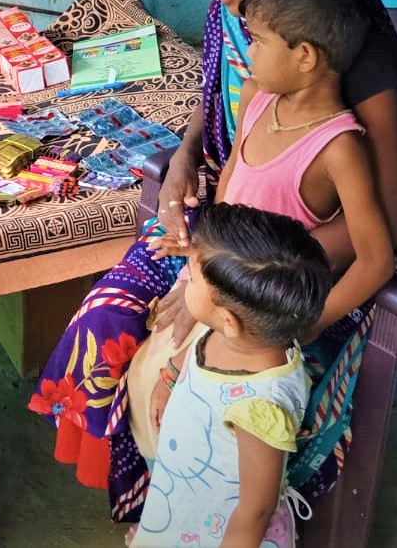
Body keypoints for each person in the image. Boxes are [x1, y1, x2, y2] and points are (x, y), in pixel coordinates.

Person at [28, 0, 397, 522]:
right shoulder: (239, 25)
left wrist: (230, 272)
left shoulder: (352, 62)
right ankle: (153, 505)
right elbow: (221, 100)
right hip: (232, 226)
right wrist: (186, 158)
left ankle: (215, 512)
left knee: (206, 373)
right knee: (107, 320)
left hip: (298, 258)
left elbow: (380, 231)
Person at [126, 203, 330, 548]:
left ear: (228, 321)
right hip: (188, 501)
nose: (186, 282)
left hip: (220, 533)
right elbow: (201, 346)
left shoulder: (259, 408)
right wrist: (171, 374)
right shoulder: (246, 334)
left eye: (191, 278)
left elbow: (255, 511)